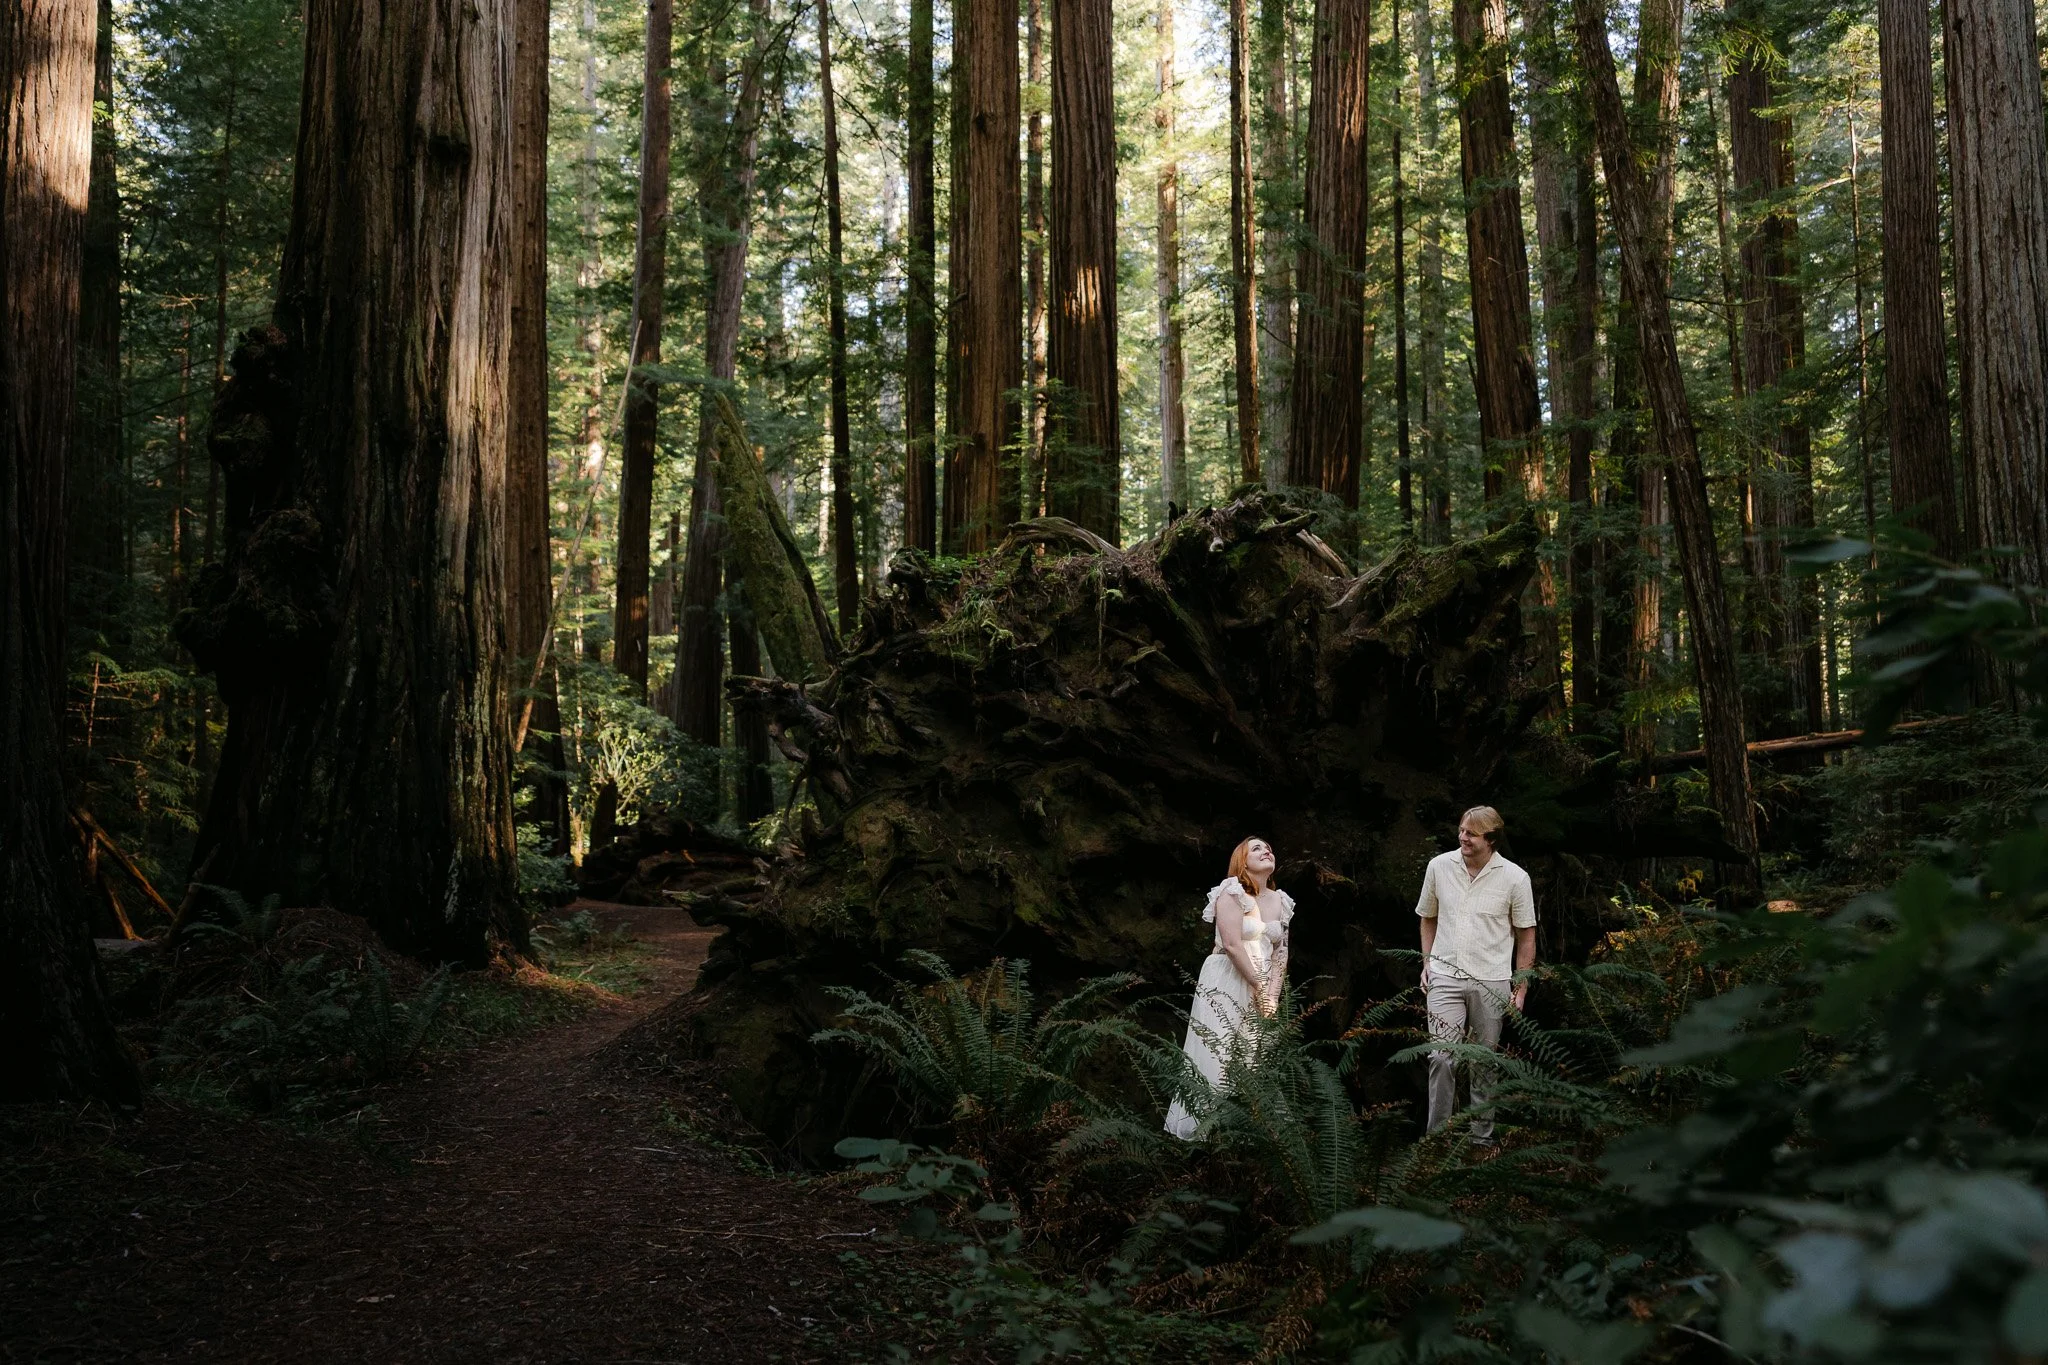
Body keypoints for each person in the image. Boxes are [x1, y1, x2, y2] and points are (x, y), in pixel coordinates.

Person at [1415, 805, 1535, 1142]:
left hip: (1492, 979)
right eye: (1462, 830)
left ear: (1491, 839)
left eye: (1471, 833)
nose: (1462, 837)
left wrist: (1520, 987)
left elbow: (1526, 934)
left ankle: (1482, 1138)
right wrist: (1427, 962)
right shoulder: (1439, 867)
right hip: (1444, 975)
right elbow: (1427, 916)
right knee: (1442, 1057)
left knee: (1484, 1061)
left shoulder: (1515, 878)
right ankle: (1437, 1139)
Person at [1164, 837, 1293, 1140]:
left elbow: (1281, 952)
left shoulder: (1280, 900)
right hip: (1226, 976)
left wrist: (1272, 996)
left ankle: (1250, 1135)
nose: (1267, 851)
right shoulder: (1231, 891)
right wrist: (1260, 987)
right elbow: (1234, 945)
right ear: (1242, 860)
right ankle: (1201, 1135)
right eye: (1257, 849)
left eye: (1269, 847)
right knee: (1216, 1050)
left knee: (1257, 1055)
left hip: (1262, 984)